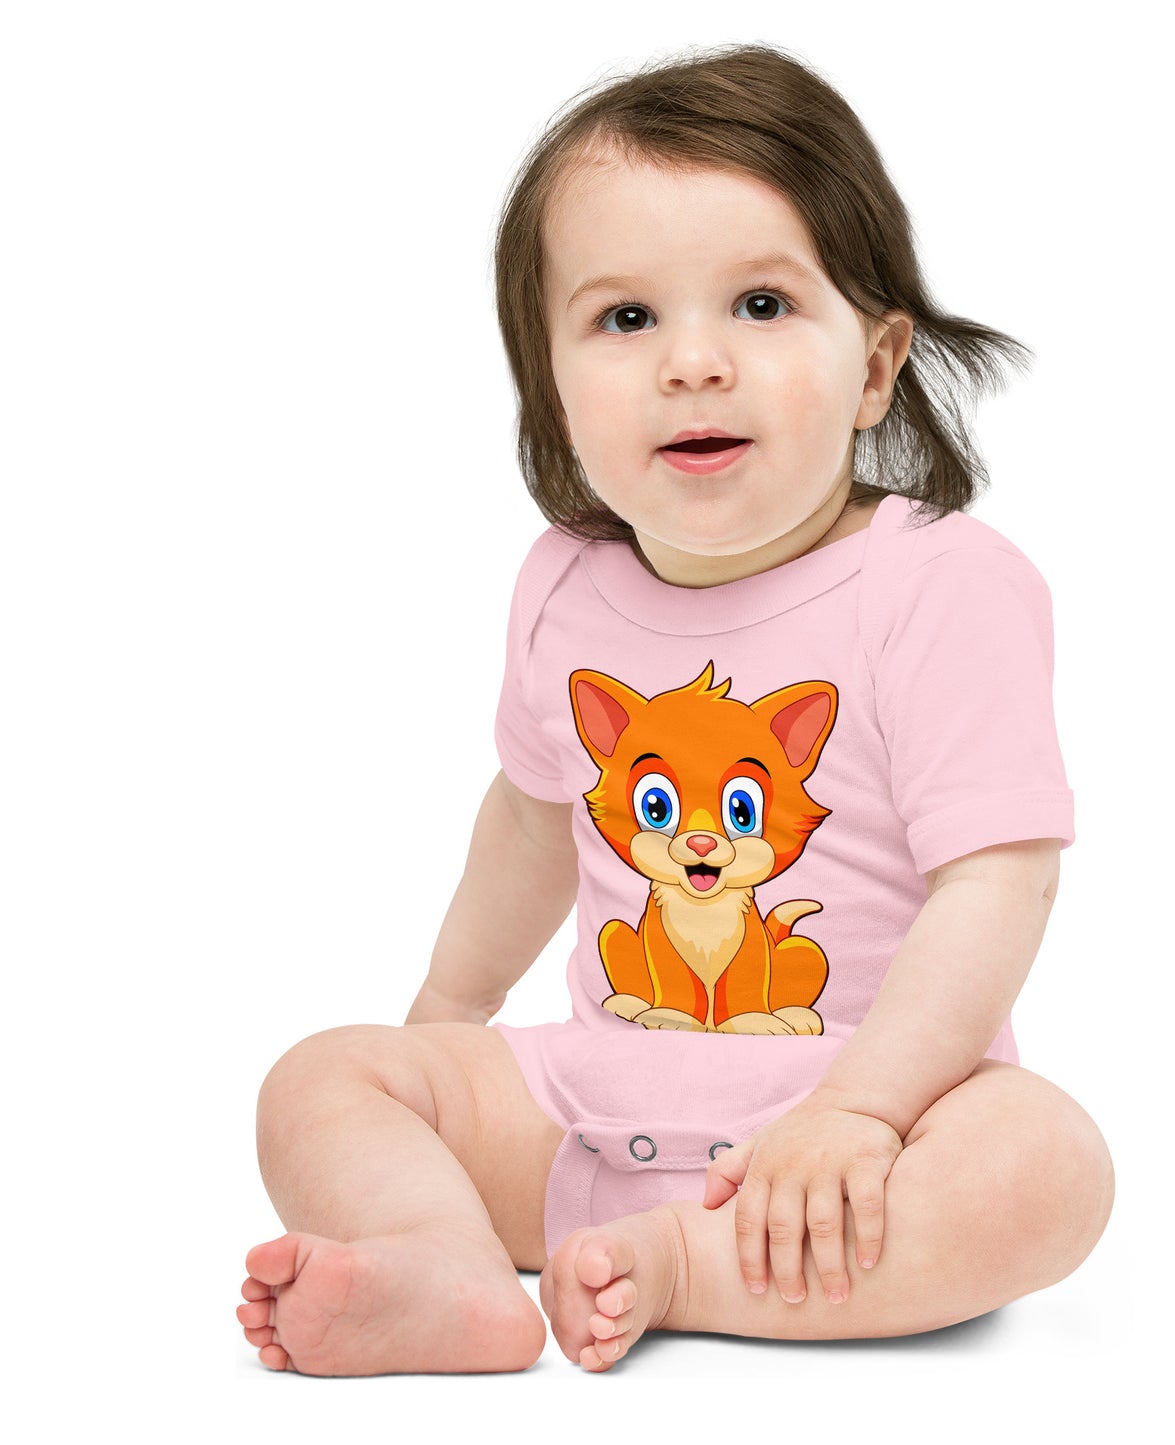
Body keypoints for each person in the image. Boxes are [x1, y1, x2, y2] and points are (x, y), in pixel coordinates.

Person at [235, 42, 1114, 1376]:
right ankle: (442, 1262)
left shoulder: (939, 584)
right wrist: (447, 1016)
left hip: (868, 1127)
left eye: (761, 304)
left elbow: (998, 880)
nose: (693, 363)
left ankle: (685, 1267)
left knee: (1047, 1164)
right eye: (626, 318)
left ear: (876, 366)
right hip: (599, 1096)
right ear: (549, 382)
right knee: (322, 1078)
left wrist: (860, 1112)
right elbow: (532, 819)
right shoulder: (563, 588)